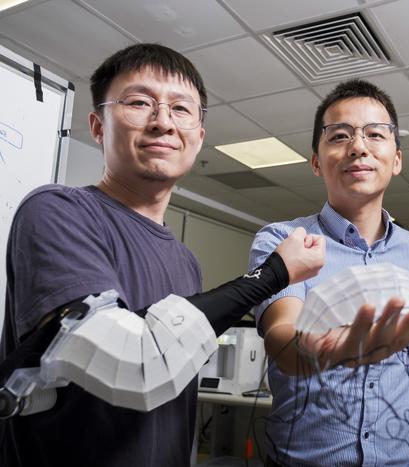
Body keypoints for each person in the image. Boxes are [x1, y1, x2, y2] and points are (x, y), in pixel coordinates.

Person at [0, 43, 324, 467]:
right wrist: (274, 273)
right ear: (98, 127)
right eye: (139, 102)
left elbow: (171, 387)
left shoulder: (186, 262)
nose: (163, 123)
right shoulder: (57, 212)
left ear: (199, 136)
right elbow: (135, 364)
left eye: (181, 109)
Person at [248, 79, 409, 466]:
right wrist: (320, 349)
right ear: (316, 162)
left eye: (375, 134)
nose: (358, 147)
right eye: (339, 136)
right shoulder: (284, 240)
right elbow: (281, 335)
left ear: (397, 159)